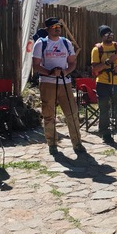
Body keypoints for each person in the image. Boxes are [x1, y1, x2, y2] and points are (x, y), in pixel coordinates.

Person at [32, 17, 86, 155]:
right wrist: (50, 72)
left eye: (59, 27)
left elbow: (72, 62)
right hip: (47, 83)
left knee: (72, 113)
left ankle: (77, 143)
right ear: (48, 29)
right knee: (49, 114)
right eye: (54, 27)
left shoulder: (66, 43)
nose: (57, 29)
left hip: (65, 82)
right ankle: (52, 143)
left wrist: (65, 71)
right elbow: (36, 65)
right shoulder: (41, 43)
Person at [91, 25, 117, 144]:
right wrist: (108, 62)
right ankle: (105, 133)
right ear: (102, 36)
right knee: (104, 109)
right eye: (107, 34)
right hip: (102, 83)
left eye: (111, 34)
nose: (110, 36)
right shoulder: (97, 50)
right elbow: (95, 69)